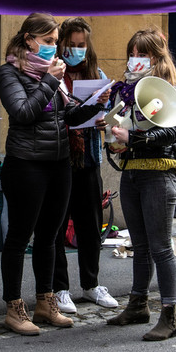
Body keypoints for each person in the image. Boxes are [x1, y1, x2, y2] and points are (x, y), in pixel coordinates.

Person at [0, 13, 109, 335]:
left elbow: (67, 116)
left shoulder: (52, 74)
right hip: (26, 163)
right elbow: (22, 112)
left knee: (50, 237)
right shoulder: (10, 72)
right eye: (47, 41)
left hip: (59, 163)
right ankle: (14, 307)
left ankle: (46, 301)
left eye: (53, 42)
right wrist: (49, 80)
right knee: (20, 237)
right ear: (29, 39)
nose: (52, 48)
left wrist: (94, 105)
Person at [103, 27, 176, 341]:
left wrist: (132, 137)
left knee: (161, 248)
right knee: (140, 246)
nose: (135, 59)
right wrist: (113, 134)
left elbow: (169, 133)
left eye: (142, 54)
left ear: (156, 56)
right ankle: (138, 304)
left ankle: (170, 315)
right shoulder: (128, 90)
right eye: (132, 53)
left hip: (157, 175)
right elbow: (124, 127)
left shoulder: (163, 89)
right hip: (132, 172)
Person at [51, 17, 118, 314]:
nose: (76, 50)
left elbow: (108, 114)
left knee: (90, 226)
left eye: (81, 46)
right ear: (61, 43)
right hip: (60, 159)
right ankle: (59, 288)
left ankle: (91, 285)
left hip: (88, 158)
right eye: (71, 45)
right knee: (56, 227)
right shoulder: (53, 74)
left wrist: (104, 120)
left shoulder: (96, 73)